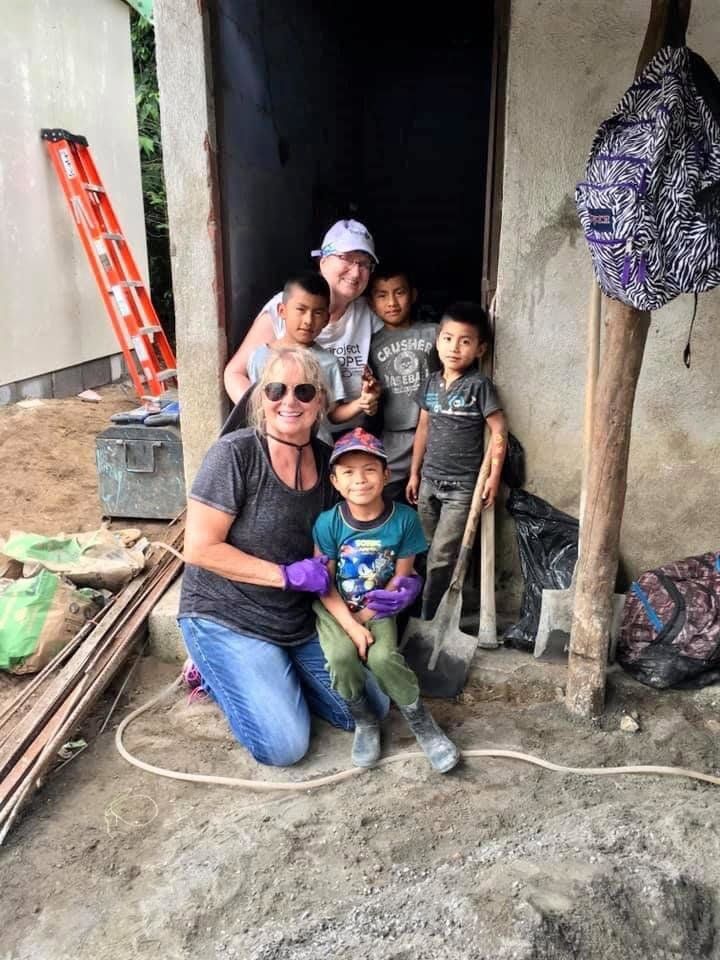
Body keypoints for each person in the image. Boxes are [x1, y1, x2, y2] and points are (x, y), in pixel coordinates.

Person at [179, 348, 388, 767]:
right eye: (276, 390)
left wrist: (388, 587)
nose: (289, 401)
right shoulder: (235, 454)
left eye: (304, 391)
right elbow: (200, 548)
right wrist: (286, 576)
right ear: (261, 397)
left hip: (294, 619)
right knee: (285, 747)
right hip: (228, 616)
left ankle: (275, 675)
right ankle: (213, 672)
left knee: (372, 708)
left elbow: (336, 552)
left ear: (321, 402)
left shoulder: (330, 465)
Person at [312, 428, 460, 773]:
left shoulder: (405, 520)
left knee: (383, 658)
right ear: (335, 481)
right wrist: (350, 625)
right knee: (340, 657)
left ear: (386, 474)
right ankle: (365, 721)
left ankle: (423, 724)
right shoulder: (328, 523)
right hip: (335, 607)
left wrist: (367, 616)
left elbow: (400, 577)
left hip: (379, 606)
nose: (359, 480)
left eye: (369, 469)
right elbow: (324, 584)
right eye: (348, 472)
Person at [223, 219, 382, 430]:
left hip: (348, 434)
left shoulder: (368, 311)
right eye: (346, 258)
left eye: (364, 264)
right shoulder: (285, 307)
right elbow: (234, 374)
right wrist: (270, 419)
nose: (355, 272)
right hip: (283, 434)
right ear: (323, 261)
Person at [407, 302, 507, 619]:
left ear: (480, 349)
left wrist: (493, 478)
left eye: (465, 341)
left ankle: (430, 616)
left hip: (462, 489)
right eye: (448, 339)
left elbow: (499, 430)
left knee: (441, 555)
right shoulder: (431, 383)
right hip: (429, 481)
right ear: (437, 341)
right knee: (424, 548)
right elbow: (423, 428)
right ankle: (420, 607)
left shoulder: (479, 386)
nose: (454, 348)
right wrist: (414, 473)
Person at [247, 271, 379, 440]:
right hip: (270, 444)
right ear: (282, 311)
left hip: (317, 448)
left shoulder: (328, 362)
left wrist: (361, 402)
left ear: (326, 319)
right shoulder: (260, 357)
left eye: (317, 312)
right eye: (301, 310)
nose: (308, 320)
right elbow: (257, 408)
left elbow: (333, 415)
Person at [367, 264, 438, 502]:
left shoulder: (435, 333)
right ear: (371, 303)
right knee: (383, 493)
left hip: (435, 430)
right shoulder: (371, 344)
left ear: (413, 295)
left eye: (400, 292)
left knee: (433, 498)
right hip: (394, 435)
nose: (392, 302)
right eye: (382, 295)